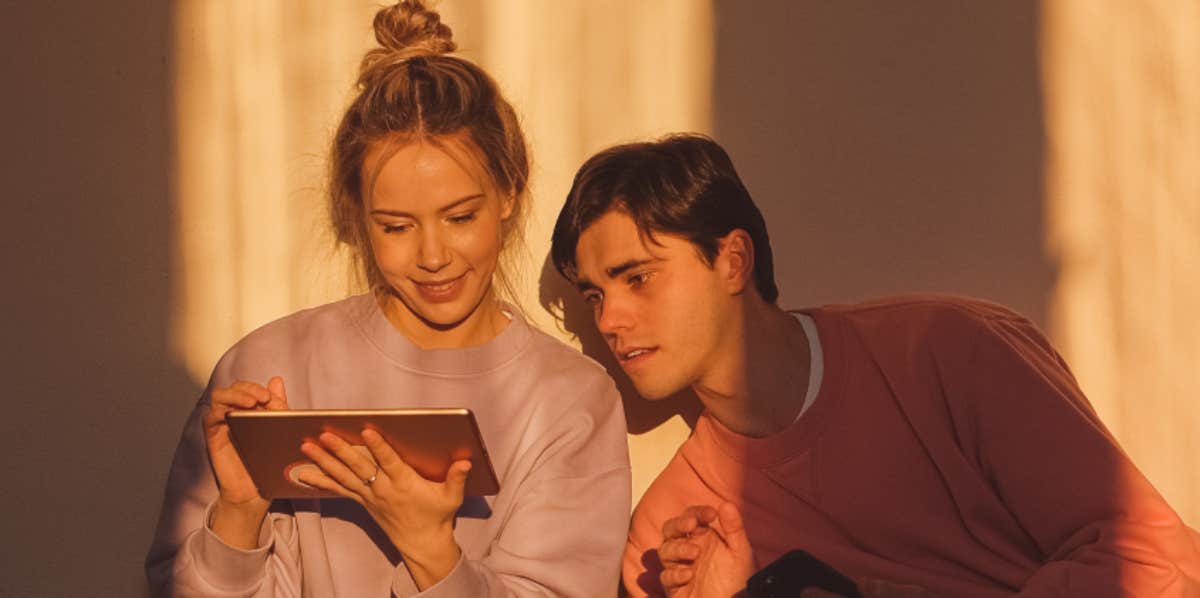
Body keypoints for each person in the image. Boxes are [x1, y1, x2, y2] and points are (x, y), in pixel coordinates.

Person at [550, 133, 1200, 597]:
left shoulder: (950, 350)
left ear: (732, 262)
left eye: (637, 278)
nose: (609, 320)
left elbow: (1154, 557)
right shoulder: (667, 538)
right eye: (594, 295)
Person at [146, 2, 631, 596]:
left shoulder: (571, 401)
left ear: (509, 191)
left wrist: (431, 550)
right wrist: (240, 514)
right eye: (396, 227)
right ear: (357, 217)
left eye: (459, 217)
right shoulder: (269, 367)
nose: (433, 256)